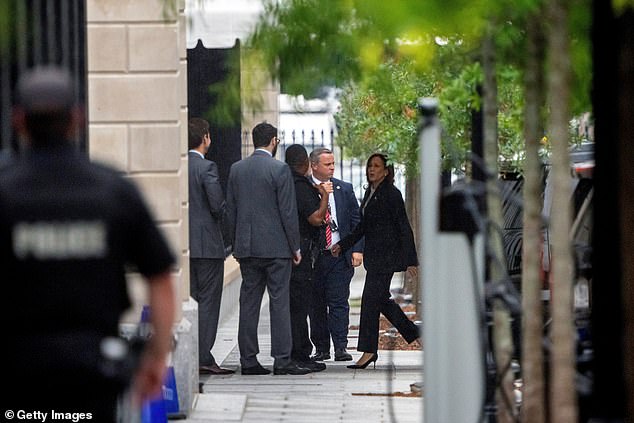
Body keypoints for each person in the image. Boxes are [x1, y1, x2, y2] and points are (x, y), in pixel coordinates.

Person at [1, 66, 176, 420]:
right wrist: (156, 356)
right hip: (93, 366)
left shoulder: (5, 190)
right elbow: (159, 277)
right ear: (77, 119)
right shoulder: (112, 190)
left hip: (17, 366)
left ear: (18, 120)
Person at [226, 122, 310, 376]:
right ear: (273, 141)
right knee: (279, 301)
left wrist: (235, 243)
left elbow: (231, 210)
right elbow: (287, 212)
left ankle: (248, 359)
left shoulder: (236, 169)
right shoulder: (280, 169)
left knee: (249, 303)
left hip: (247, 247)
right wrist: (295, 246)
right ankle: (281, 359)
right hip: (276, 249)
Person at [331, 153, 419, 369]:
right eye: (370, 165)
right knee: (380, 301)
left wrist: (410, 260)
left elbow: (403, 227)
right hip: (376, 258)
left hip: (386, 258)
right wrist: (343, 244)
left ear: (386, 171)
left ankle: (369, 351)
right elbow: (363, 227)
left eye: (377, 166)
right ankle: (414, 332)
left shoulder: (392, 194)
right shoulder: (371, 193)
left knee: (370, 302)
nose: (372, 169)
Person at [188, 118, 234, 375]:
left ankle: (192, 351)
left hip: (186, 246)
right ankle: (203, 356)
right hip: (207, 245)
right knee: (208, 302)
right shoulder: (207, 168)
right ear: (205, 137)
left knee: (192, 299)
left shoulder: (179, 166)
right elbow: (217, 206)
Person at [308, 147, 363, 362]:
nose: (332, 167)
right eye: (327, 164)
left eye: (333, 163)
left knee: (339, 301)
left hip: (339, 254)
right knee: (317, 304)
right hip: (315, 256)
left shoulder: (344, 188)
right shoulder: (307, 188)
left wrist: (357, 249)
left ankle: (341, 346)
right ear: (314, 165)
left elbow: (357, 221)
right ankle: (321, 348)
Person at [284, 144, 329, 372]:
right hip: (301, 251)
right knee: (299, 306)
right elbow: (316, 219)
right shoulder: (300, 186)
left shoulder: (283, 181)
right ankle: (299, 353)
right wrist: (324, 197)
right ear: (304, 164)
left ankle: (297, 350)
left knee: (294, 305)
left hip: (289, 250)